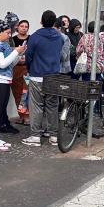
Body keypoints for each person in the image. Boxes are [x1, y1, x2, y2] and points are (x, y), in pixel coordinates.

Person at [22, 10, 64, 147]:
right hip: (54, 75)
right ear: (54, 22)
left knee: (36, 106)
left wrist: (30, 68)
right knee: (52, 106)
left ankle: (35, 136)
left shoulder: (35, 36)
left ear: (41, 20)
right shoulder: (59, 37)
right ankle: (53, 136)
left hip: (37, 75)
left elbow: (29, 55)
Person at [0, 19, 26, 152]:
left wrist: (19, 54)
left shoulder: (4, 44)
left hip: (4, 80)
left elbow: (10, 64)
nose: (10, 35)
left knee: (1, 110)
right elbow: (2, 64)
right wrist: (15, 52)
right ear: (0, 32)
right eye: (8, 33)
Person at [10, 19, 31, 125]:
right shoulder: (12, 40)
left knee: (25, 92)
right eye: (22, 26)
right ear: (17, 27)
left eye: (26, 26)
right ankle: (21, 115)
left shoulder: (31, 39)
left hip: (27, 69)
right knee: (17, 92)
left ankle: (27, 116)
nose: (24, 28)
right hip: (15, 68)